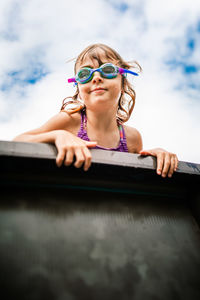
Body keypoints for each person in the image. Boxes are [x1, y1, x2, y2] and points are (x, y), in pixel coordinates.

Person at [13, 43, 178, 177]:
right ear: (78, 87)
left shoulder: (131, 138)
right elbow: (17, 142)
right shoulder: (69, 120)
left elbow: (136, 175)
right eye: (85, 74)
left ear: (123, 81)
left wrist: (156, 156)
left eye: (107, 70)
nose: (97, 77)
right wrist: (57, 135)